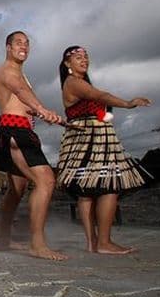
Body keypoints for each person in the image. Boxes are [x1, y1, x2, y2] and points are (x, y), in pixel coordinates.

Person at [56, 45, 152, 254]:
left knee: (87, 191)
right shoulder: (73, 83)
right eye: (78, 57)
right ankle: (104, 242)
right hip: (89, 140)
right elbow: (100, 95)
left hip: (89, 138)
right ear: (67, 64)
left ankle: (94, 243)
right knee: (108, 186)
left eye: (86, 57)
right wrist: (128, 104)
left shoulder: (77, 83)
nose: (84, 60)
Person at [0, 31, 68, 261]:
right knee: (46, 180)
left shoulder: (20, 73)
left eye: (27, 42)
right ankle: (37, 243)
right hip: (15, 132)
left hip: (17, 129)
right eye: (18, 42)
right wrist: (42, 109)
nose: (24, 46)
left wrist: (41, 113)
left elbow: (22, 101)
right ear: (8, 47)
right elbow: (20, 92)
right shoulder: (8, 70)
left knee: (17, 189)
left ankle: (3, 239)